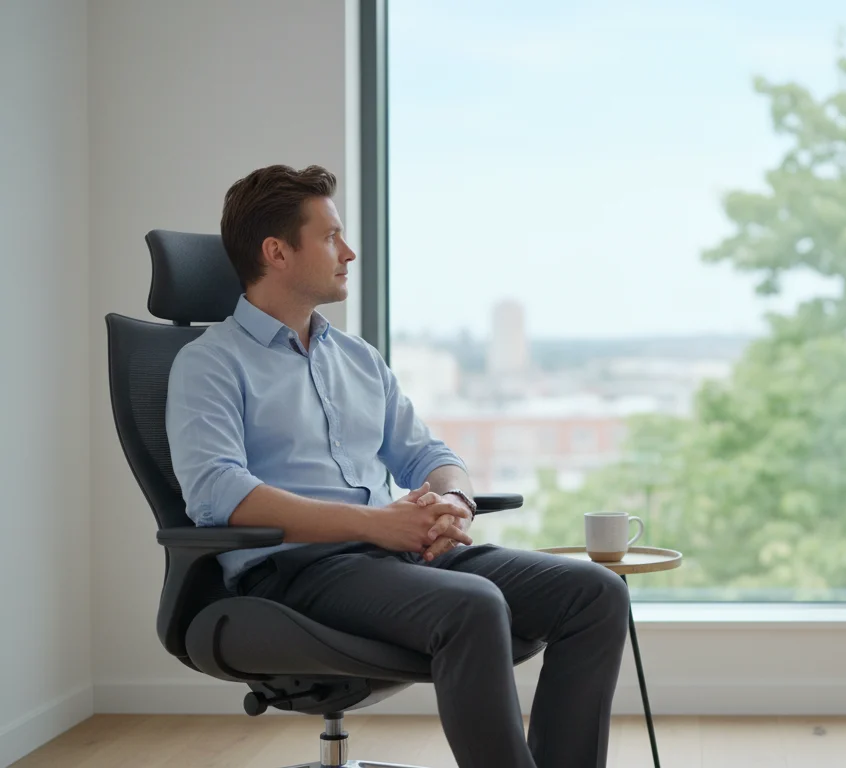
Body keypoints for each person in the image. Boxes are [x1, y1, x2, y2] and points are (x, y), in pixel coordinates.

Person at [165, 164, 629, 768]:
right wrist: (373, 525)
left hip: (397, 557)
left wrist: (452, 502)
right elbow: (217, 493)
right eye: (330, 236)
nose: (348, 252)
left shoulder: (357, 358)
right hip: (297, 574)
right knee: (475, 603)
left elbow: (428, 455)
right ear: (277, 252)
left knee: (595, 592)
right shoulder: (210, 364)